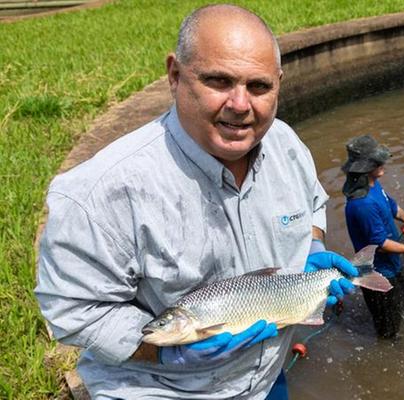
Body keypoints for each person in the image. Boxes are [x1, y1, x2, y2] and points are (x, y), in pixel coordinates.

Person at [35, 5, 356, 399]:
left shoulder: (287, 144)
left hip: (266, 378)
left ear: (279, 83)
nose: (240, 105)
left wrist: (312, 245)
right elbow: (74, 311)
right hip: (165, 388)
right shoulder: (101, 192)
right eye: (219, 81)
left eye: (259, 86)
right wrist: (164, 354)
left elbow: (312, 204)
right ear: (174, 75)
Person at [342, 135, 404, 339]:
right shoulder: (362, 204)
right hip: (377, 273)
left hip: (390, 264)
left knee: (398, 303)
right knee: (388, 329)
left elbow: (390, 204)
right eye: (378, 161)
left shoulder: (373, 183)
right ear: (366, 167)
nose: (383, 163)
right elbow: (382, 244)